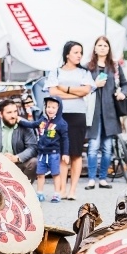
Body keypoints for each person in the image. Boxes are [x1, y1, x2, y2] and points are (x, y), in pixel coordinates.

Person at [45, 40, 95, 200]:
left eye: (80, 52)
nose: (79, 55)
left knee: (76, 153)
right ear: (67, 54)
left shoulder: (84, 73)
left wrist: (64, 89)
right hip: (60, 116)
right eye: (75, 52)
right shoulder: (56, 72)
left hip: (78, 115)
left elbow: (86, 90)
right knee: (60, 153)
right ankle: (60, 189)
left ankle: (73, 190)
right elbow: (53, 92)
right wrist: (75, 93)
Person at [85, 36, 127, 191]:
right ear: (95, 48)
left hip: (110, 112)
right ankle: (91, 179)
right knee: (93, 146)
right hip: (93, 112)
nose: (102, 48)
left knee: (107, 147)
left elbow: (124, 84)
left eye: (105, 45)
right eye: (99, 45)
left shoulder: (114, 67)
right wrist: (94, 85)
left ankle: (103, 178)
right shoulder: (87, 67)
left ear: (109, 48)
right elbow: (82, 87)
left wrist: (122, 93)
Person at [18, 95, 69, 203]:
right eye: (48, 107)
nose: (50, 109)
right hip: (42, 153)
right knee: (40, 174)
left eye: (53, 107)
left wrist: (65, 153)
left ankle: (57, 194)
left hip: (54, 153)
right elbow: (32, 124)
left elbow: (65, 139)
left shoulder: (61, 123)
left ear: (58, 109)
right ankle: (40, 193)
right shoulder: (42, 121)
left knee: (55, 174)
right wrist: (20, 121)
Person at [0, 99, 37, 181]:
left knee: (34, 162)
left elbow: (32, 147)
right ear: (0, 114)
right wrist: (1, 158)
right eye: (9, 112)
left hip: (17, 163)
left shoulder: (25, 124)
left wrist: (16, 158)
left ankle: (24, 190)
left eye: (15, 111)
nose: (13, 115)